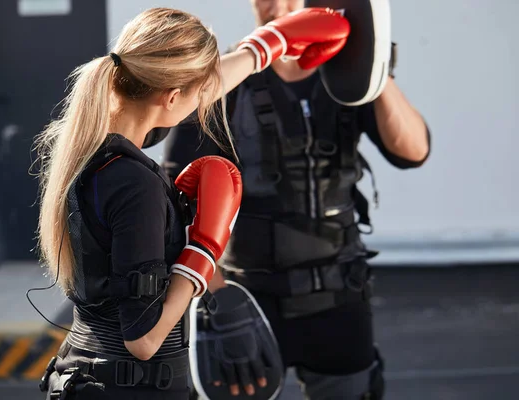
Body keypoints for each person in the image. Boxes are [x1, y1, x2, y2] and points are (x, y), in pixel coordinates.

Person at [32, 6, 343, 400]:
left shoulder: (87, 146)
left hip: (89, 374)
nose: (205, 102)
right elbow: (143, 340)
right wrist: (202, 254)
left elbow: (186, 87)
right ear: (173, 96)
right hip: (128, 389)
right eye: (199, 94)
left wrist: (264, 46)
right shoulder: (134, 183)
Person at [160, 1, 432, 399]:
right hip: (248, 297)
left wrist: (370, 64)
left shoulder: (347, 77)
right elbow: (175, 204)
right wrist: (219, 300)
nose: (277, 5)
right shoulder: (223, 82)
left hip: (339, 295)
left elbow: (413, 150)